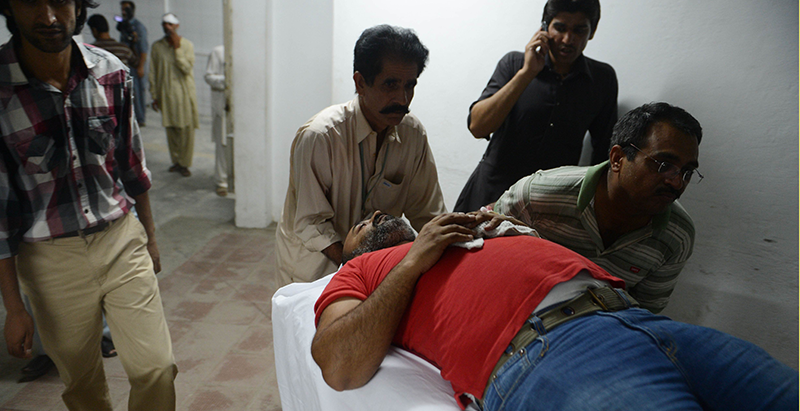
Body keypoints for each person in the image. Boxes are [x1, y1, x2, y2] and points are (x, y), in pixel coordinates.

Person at [311, 211, 798, 411]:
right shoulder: (365, 272)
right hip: (551, 356)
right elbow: (338, 363)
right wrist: (413, 260)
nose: (374, 212)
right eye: (361, 221)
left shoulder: (467, 231)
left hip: (640, 320)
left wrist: (511, 233)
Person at [0, 1, 181, 411]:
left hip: (121, 237)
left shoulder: (111, 73)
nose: (48, 15)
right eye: (30, 1)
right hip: (48, 256)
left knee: (155, 365)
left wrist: (150, 237)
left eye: (61, 0)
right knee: (78, 373)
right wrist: (13, 305)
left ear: (79, 6)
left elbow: (133, 167)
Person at [275, 24, 447, 287]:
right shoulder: (321, 137)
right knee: (317, 327)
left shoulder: (412, 134)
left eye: (409, 85)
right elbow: (311, 223)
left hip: (373, 272)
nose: (402, 98)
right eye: (390, 84)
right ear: (360, 83)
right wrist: (358, 267)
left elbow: (427, 213)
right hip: (313, 271)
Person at [493, 102, 700, 313]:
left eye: (687, 172)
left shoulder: (677, 235)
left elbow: (643, 313)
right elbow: (486, 261)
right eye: (663, 165)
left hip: (592, 333)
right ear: (618, 158)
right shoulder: (537, 196)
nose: (677, 182)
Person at [454, 0, 617, 212]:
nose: (568, 39)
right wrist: (527, 73)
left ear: (592, 31)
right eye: (560, 28)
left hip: (548, 205)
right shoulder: (514, 64)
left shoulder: (602, 79)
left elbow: (604, 152)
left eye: (579, 30)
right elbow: (478, 126)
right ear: (544, 27)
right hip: (491, 193)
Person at [149, 12, 198, 177]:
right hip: (166, 94)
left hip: (184, 95)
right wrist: (154, 95)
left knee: (186, 130)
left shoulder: (187, 45)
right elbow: (153, 73)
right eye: (164, 24)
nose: (166, 27)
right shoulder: (157, 47)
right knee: (171, 130)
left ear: (176, 26)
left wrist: (177, 49)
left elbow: (186, 69)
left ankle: (185, 163)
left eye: (170, 24)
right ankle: (176, 161)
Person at [204, 44, 229, 196]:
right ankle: (222, 182)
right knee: (222, 145)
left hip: (244, 108)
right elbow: (209, 76)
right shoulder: (219, 51)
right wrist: (227, 80)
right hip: (223, 107)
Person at [118, 1, 148, 126]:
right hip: (127, 63)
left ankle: (141, 119)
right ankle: (133, 116)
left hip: (136, 64)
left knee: (138, 91)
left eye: (126, 9)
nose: (123, 12)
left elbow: (143, 49)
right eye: (122, 9)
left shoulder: (139, 27)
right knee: (129, 91)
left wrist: (141, 66)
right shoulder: (124, 26)